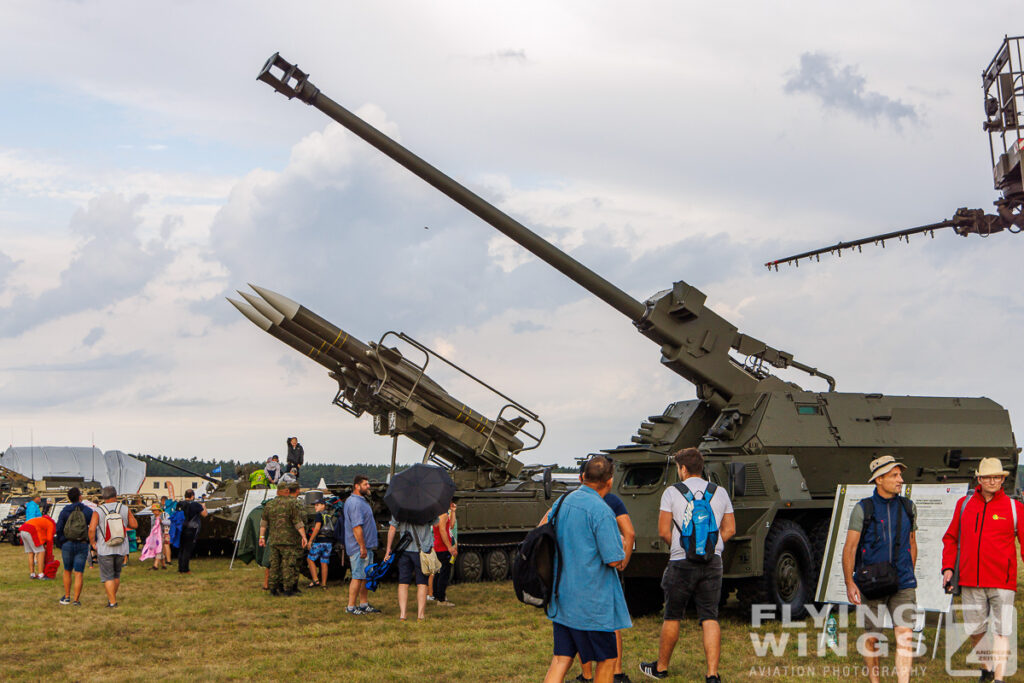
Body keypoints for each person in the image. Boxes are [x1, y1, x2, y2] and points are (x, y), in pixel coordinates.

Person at [639, 448, 733, 682]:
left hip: (681, 562)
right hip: (713, 561)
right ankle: (712, 674)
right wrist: (711, 546)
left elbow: (663, 531)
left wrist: (683, 547)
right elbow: (730, 529)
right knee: (709, 616)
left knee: (672, 616)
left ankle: (660, 668)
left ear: (682, 468)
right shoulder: (719, 492)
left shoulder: (671, 492)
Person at [542, 455, 630, 683]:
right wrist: (621, 547)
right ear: (609, 481)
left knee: (561, 659)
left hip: (562, 597)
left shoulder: (563, 501)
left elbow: (541, 531)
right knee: (608, 660)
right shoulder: (601, 511)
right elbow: (613, 560)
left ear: (584, 477)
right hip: (592, 604)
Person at [942, 457, 1024, 683]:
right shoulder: (964, 505)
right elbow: (951, 538)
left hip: (1002, 582)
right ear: (979, 478)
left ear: (1002, 480)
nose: (993, 481)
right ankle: (987, 668)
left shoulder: (1014, 508)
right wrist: (948, 567)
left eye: (997, 477)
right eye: (987, 476)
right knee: (975, 629)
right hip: (970, 580)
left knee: (1001, 631)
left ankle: (999, 678)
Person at [842, 455, 918, 683]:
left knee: (905, 634)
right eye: (894, 475)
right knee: (872, 636)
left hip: (903, 582)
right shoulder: (862, 509)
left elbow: (913, 543)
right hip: (871, 583)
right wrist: (849, 582)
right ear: (879, 480)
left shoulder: (908, 506)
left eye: (900, 475)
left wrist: (908, 573)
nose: (900, 480)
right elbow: (850, 548)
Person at [570, 461, 636, 683]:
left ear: (583, 478)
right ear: (609, 480)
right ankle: (616, 672)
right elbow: (630, 533)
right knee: (611, 624)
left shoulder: (570, 501)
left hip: (576, 574)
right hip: (603, 571)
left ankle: (587, 674)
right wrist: (622, 562)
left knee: (578, 628)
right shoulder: (611, 501)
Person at [88, 486, 138, 608]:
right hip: (121, 547)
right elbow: (134, 525)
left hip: (105, 548)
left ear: (103, 497)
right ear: (115, 495)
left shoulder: (98, 511)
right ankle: (112, 598)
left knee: (107, 576)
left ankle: (112, 602)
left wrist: (93, 543)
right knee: (116, 574)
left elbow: (91, 528)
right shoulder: (124, 508)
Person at [383, 512, 438, 621]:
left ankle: (403, 615)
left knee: (403, 582)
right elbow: (435, 523)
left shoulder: (400, 507)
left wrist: (388, 549)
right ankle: (420, 616)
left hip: (405, 549)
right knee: (422, 583)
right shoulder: (426, 506)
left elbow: (392, 528)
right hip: (422, 550)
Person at [259, 482, 308, 596]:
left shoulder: (270, 504)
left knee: (274, 565)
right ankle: (287, 589)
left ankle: (273, 589)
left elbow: (263, 523)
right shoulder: (292, 503)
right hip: (288, 541)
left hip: (274, 540)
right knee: (288, 565)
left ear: (277, 491)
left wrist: (261, 537)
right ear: (286, 491)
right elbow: (297, 522)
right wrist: (303, 536)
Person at [344, 475, 381, 615]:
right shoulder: (355, 503)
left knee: (365, 576)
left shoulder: (362, 501)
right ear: (357, 486)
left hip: (366, 547)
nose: (368, 486)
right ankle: (351, 607)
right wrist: (362, 546)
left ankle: (363, 604)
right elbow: (356, 527)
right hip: (359, 548)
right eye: (365, 484)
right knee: (358, 576)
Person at [56, 487, 93, 604]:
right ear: (80, 497)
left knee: (67, 570)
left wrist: (62, 541)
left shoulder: (64, 511)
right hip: (82, 543)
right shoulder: (87, 511)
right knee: (79, 572)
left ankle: (67, 596)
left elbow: (59, 528)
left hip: (67, 543)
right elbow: (92, 527)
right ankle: (76, 599)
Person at [430, 499, 459, 607]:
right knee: (444, 574)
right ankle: (441, 599)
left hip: (439, 546)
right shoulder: (442, 514)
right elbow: (443, 530)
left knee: (439, 572)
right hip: (442, 547)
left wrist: (453, 511)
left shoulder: (442, 513)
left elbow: (451, 526)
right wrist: (449, 547)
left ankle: (437, 595)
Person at [177, 489, 207, 574]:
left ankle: (180, 568)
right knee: (187, 550)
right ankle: (185, 569)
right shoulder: (195, 505)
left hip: (181, 528)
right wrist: (203, 506)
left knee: (181, 549)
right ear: (192, 496)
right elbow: (204, 514)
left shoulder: (180, 504)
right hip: (191, 529)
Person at [305, 499, 333, 589]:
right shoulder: (328, 515)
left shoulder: (319, 515)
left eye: (317, 505)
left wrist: (310, 541)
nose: (315, 507)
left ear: (323, 505)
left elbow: (317, 528)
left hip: (320, 541)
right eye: (315, 505)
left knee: (310, 559)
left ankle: (315, 580)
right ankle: (324, 584)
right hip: (328, 543)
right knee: (324, 562)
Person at [19, 514, 56, 580]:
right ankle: (41, 574)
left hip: (23, 530)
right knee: (41, 551)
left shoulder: (41, 520)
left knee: (31, 552)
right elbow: (49, 538)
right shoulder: (51, 524)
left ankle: (32, 574)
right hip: (31, 530)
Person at [140, 503, 166, 570]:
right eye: (153, 510)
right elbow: (152, 527)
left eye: (155, 510)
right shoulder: (153, 517)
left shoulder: (164, 515)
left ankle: (155, 565)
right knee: (160, 549)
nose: (154, 512)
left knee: (159, 549)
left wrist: (162, 521)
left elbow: (168, 522)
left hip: (162, 535)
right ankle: (163, 565)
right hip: (155, 536)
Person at [159, 496, 172, 567]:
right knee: (165, 545)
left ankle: (168, 560)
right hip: (167, 530)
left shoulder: (165, 511)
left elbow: (169, 521)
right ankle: (165, 560)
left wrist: (162, 521)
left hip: (165, 530)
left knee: (166, 545)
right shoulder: (169, 509)